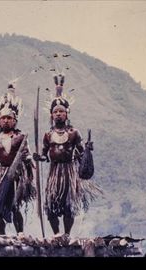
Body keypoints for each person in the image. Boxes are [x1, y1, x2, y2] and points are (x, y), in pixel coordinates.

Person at [33, 74, 100, 237]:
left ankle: (67, 234)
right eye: (55, 111)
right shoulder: (48, 135)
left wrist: (88, 150)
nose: (58, 114)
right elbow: (44, 155)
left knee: (69, 204)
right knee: (51, 205)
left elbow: (82, 154)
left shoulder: (73, 132)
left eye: (61, 111)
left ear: (66, 114)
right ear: (51, 115)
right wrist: (39, 157)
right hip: (54, 173)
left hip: (69, 172)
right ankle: (56, 234)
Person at [0, 84, 36, 235]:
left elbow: (27, 158)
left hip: (17, 176)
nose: (6, 121)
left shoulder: (20, 137)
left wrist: (29, 177)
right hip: (2, 175)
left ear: (14, 120)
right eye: (3, 118)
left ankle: (20, 234)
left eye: (9, 118)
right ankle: (2, 236)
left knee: (14, 206)